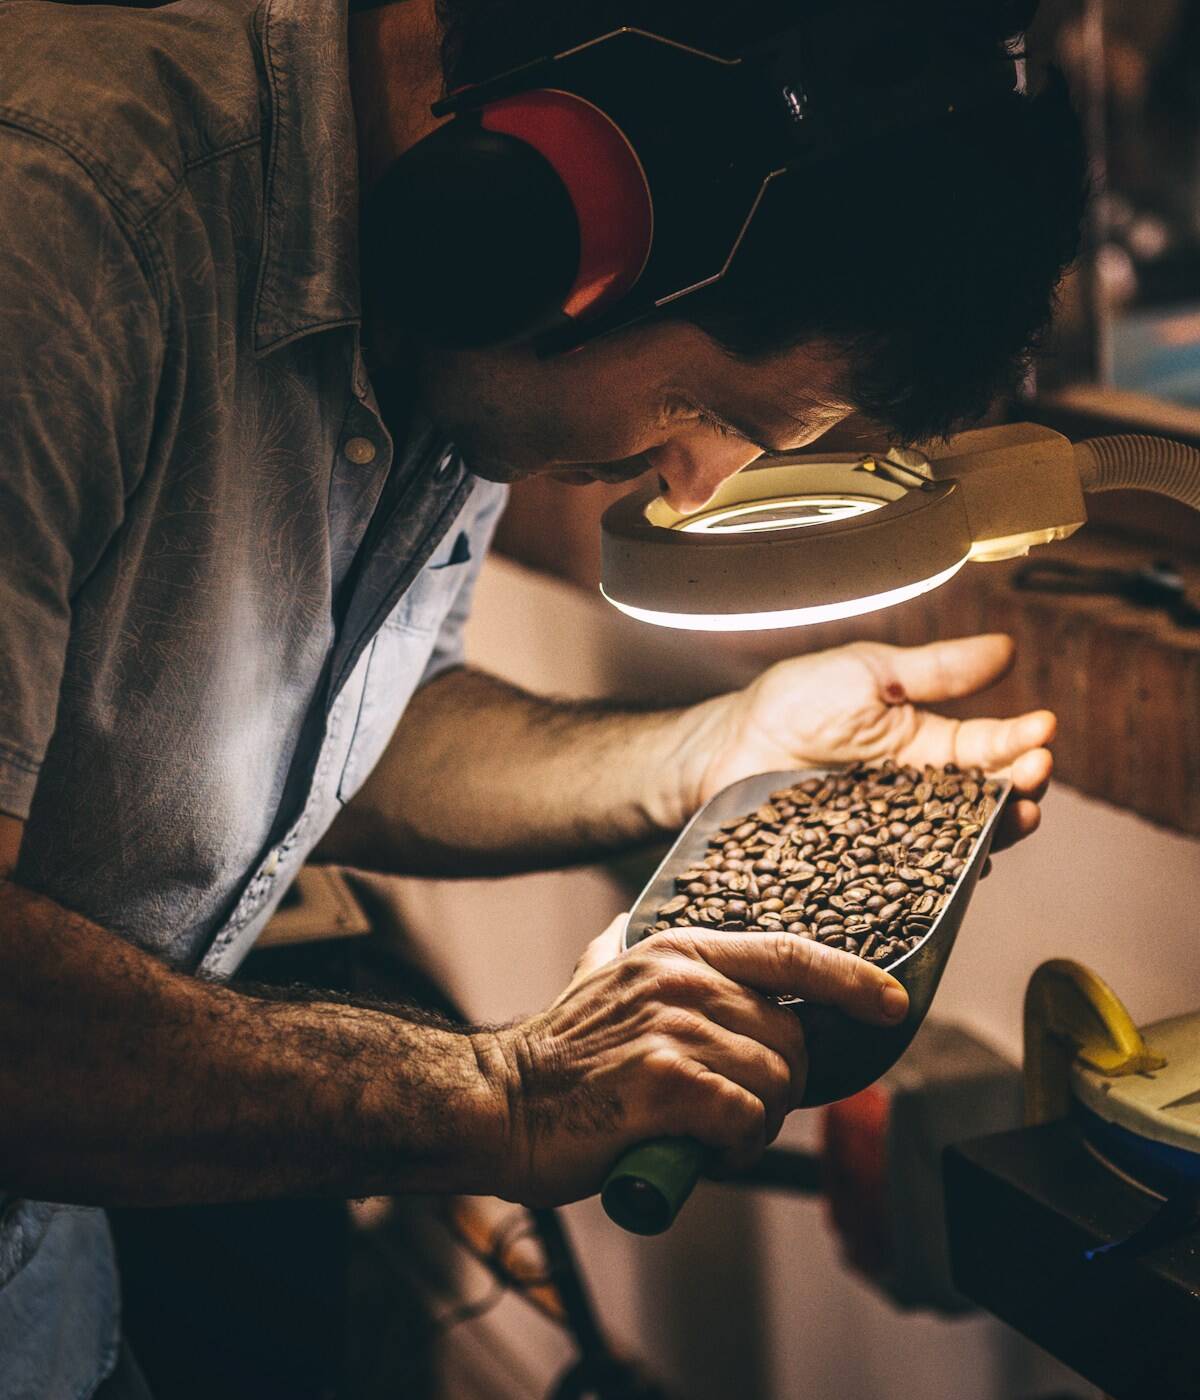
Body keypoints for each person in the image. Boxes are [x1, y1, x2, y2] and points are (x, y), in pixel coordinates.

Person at [0, 0, 1084, 1392]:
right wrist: (498, 1096)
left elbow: (336, 747)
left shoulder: (463, 327)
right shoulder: (64, 216)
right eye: (713, 412)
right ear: (572, 205)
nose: (691, 485)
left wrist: (719, 748)